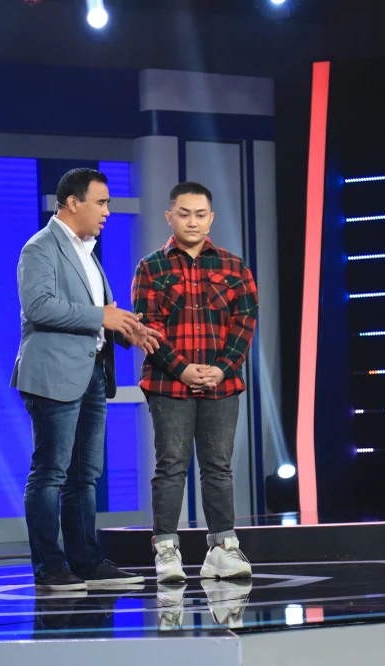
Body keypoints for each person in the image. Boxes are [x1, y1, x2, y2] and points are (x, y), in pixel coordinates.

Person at [12, 167, 162, 592]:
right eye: (101, 202)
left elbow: (99, 311)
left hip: (92, 373)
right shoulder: (40, 247)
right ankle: (49, 567)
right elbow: (39, 306)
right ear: (73, 202)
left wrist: (126, 328)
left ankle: (86, 562)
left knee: (84, 475)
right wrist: (102, 316)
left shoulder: (87, 251)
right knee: (51, 473)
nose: (107, 211)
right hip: (53, 375)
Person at [131, 181, 259, 583]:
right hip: (169, 384)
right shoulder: (151, 267)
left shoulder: (234, 267)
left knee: (218, 466)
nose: (192, 221)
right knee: (171, 465)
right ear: (169, 217)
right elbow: (147, 327)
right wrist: (182, 368)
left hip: (222, 383)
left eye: (200, 214)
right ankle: (166, 550)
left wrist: (222, 368)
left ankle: (223, 548)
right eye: (184, 214)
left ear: (211, 218)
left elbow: (245, 322)